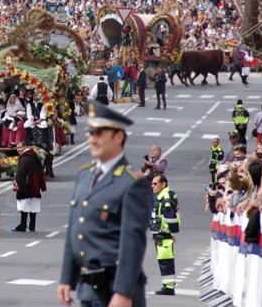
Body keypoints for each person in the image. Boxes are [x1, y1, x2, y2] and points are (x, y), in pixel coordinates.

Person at [57, 100, 151, 307]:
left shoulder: (132, 183)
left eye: (99, 134)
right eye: (91, 133)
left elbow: (132, 242)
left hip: (114, 288)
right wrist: (67, 277)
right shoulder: (85, 174)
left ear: (118, 136)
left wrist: (124, 292)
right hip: (88, 287)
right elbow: (75, 227)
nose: (92, 139)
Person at [149, 174, 180, 296]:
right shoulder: (162, 196)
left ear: (164, 184)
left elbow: (170, 217)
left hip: (164, 234)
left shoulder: (166, 198)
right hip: (161, 233)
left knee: (166, 261)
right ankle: (167, 285)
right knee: (163, 260)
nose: (153, 186)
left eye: (155, 183)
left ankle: (169, 287)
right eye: (152, 183)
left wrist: (172, 233)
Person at [12, 145, 46, 232]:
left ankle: (23, 224)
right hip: (35, 186)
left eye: (19, 147)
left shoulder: (24, 158)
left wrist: (18, 186)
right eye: (17, 148)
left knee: (24, 204)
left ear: (24, 147)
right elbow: (40, 171)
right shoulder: (34, 156)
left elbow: (21, 174)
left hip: (26, 186)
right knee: (33, 205)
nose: (18, 149)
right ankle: (32, 225)